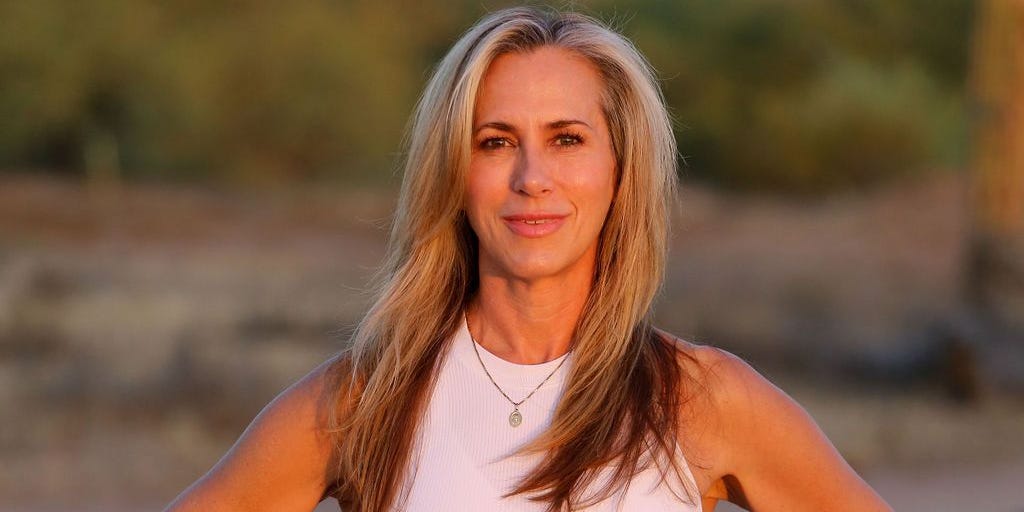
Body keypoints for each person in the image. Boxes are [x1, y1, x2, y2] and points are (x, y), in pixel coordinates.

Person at [165, 7, 892, 512]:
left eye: (568, 139)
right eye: (495, 141)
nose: (531, 177)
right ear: (453, 173)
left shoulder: (699, 400)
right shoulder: (366, 402)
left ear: (621, 168)